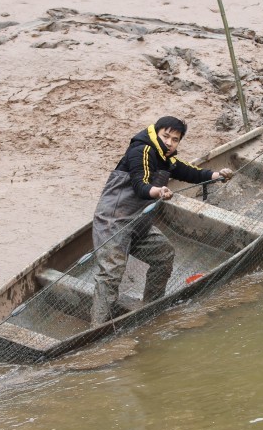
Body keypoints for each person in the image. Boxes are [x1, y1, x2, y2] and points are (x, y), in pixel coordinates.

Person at [91, 117, 235, 324]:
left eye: (175, 139)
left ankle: (150, 309)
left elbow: (190, 172)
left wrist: (216, 175)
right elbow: (140, 184)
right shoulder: (141, 151)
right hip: (114, 222)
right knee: (110, 275)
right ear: (155, 133)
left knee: (163, 255)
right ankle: (97, 326)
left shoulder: (167, 159)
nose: (169, 142)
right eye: (165, 136)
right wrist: (158, 191)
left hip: (138, 223)